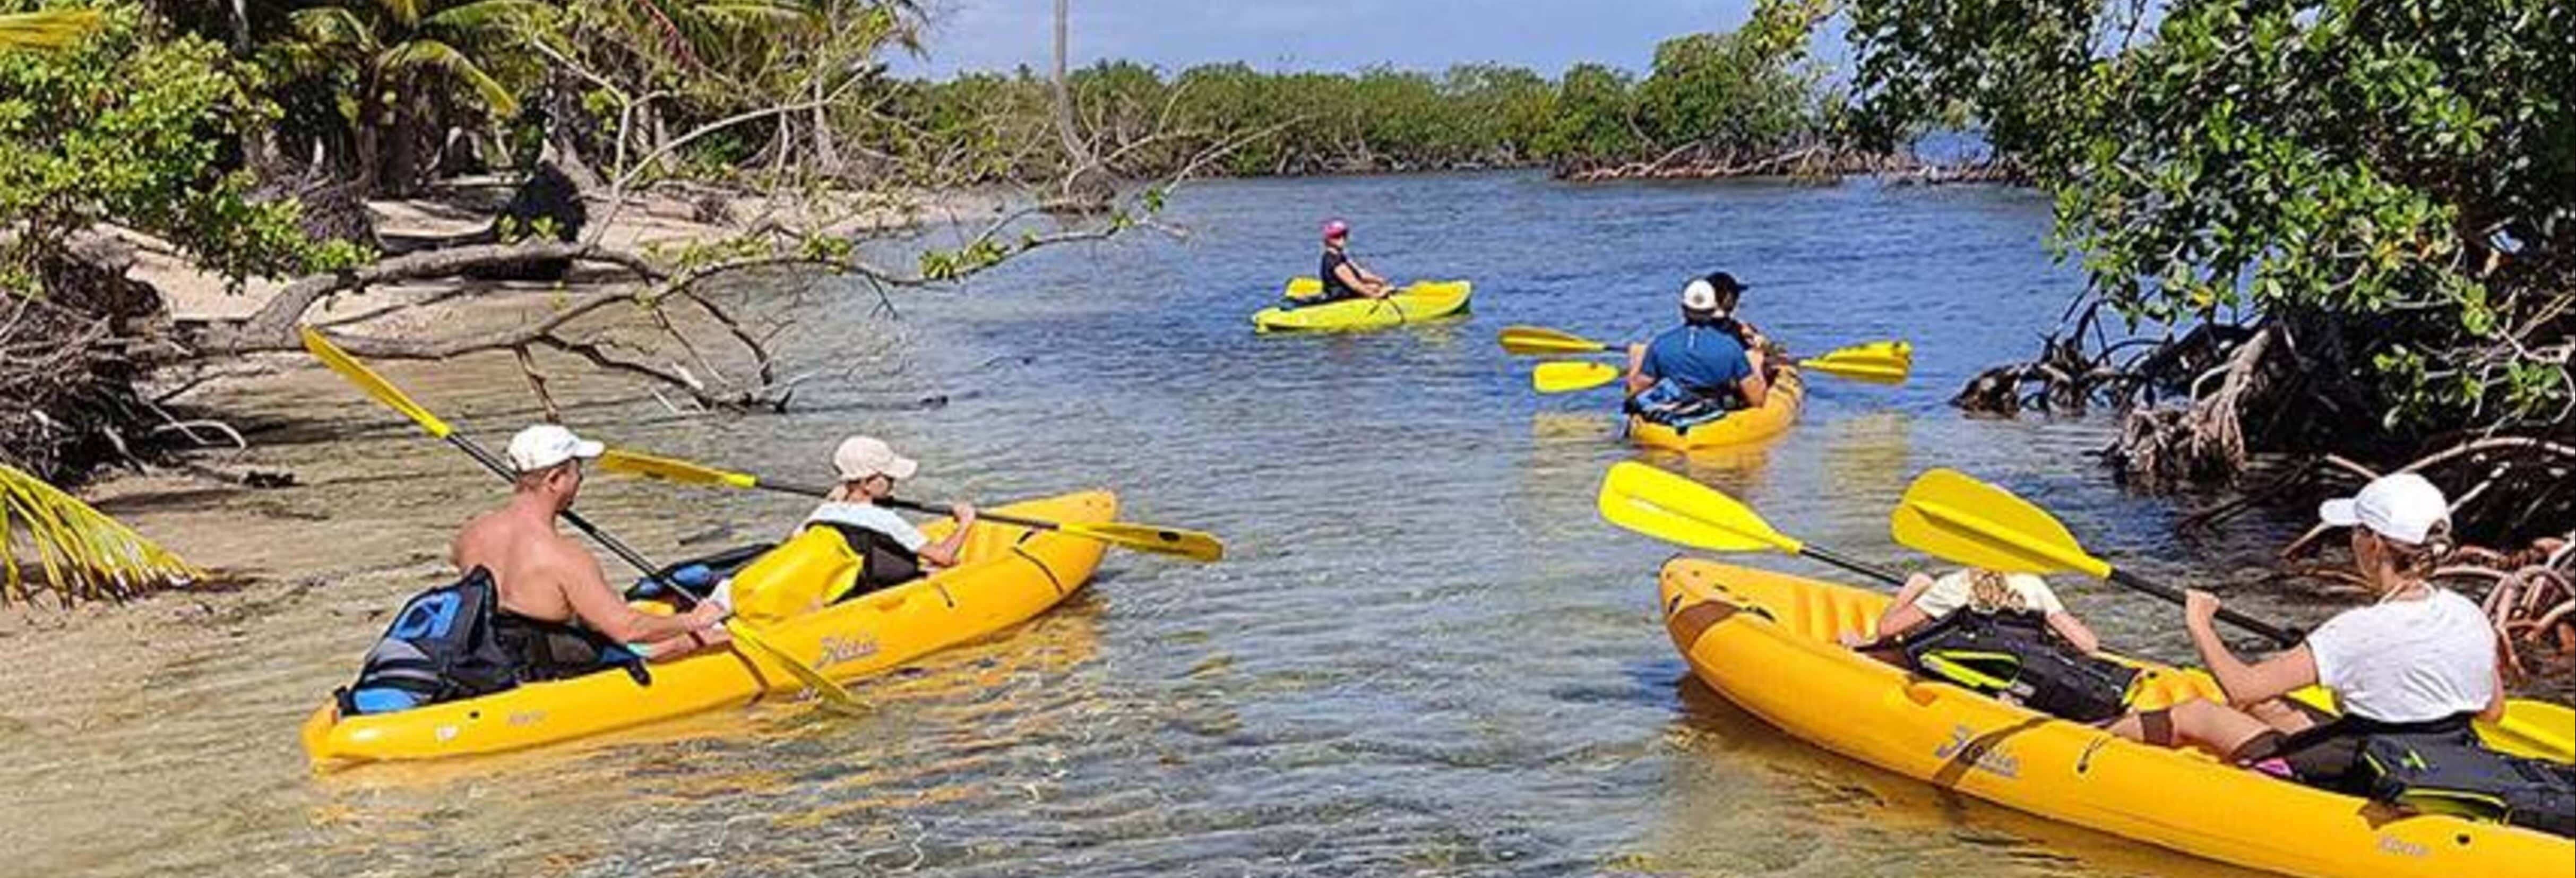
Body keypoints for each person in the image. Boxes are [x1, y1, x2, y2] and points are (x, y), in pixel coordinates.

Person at [2103, 472, 2504, 789]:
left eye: (2355, 531)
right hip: (2437, 755)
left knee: (2198, 713)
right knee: (2269, 704)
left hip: (2368, 769)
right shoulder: (2469, 613)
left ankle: (2085, 743)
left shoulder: (2357, 631)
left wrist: (2199, 624)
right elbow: (2491, 712)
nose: (2350, 542)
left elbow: (2240, 687)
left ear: (2375, 545)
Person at [452, 425, 729, 678]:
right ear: (555, 479)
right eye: (577, 470)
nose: (580, 479)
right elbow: (628, 629)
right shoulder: (565, 557)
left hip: (496, 656)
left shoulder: (471, 533)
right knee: (707, 638)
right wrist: (695, 620)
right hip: (557, 666)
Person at [800, 435, 978, 596]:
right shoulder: (884, 520)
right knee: (951, 565)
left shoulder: (822, 513)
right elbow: (944, 556)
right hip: (890, 590)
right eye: (889, 477)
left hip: (860, 587)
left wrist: (832, 502)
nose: (894, 482)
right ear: (867, 483)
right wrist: (965, 522)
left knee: (928, 567)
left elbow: (795, 541)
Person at [1623, 272, 1771, 426]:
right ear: (1713, 308)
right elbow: (1758, 400)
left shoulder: (1660, 344)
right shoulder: (1731, 347)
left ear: (1683, 308)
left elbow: (1635, 391)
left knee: (1641, 354)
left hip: (1672, 413)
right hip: (1714, 415)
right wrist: (1756, 364)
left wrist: (1636, 361)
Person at [1855, 567, 2103, 655]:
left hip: (1965, 677)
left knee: (1865, 649)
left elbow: (1887, 629)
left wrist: (1913, 588)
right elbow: (2088, 645)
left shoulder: (1955, 585)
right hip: (2019, 671)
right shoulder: (2033, 585)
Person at [1315, 218, 1393, 303]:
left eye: (1344, 235)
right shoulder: (1333, 260)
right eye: (1336, 236)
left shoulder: (1341, 257)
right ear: (1328, 239)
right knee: (1374, 288)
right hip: (1339, 299)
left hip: (1347, 294)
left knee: (1375, 286)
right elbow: (1354, 285)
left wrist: (1381, 281)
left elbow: (1361, 274)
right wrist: (1376, 296)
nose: (1342, 238)